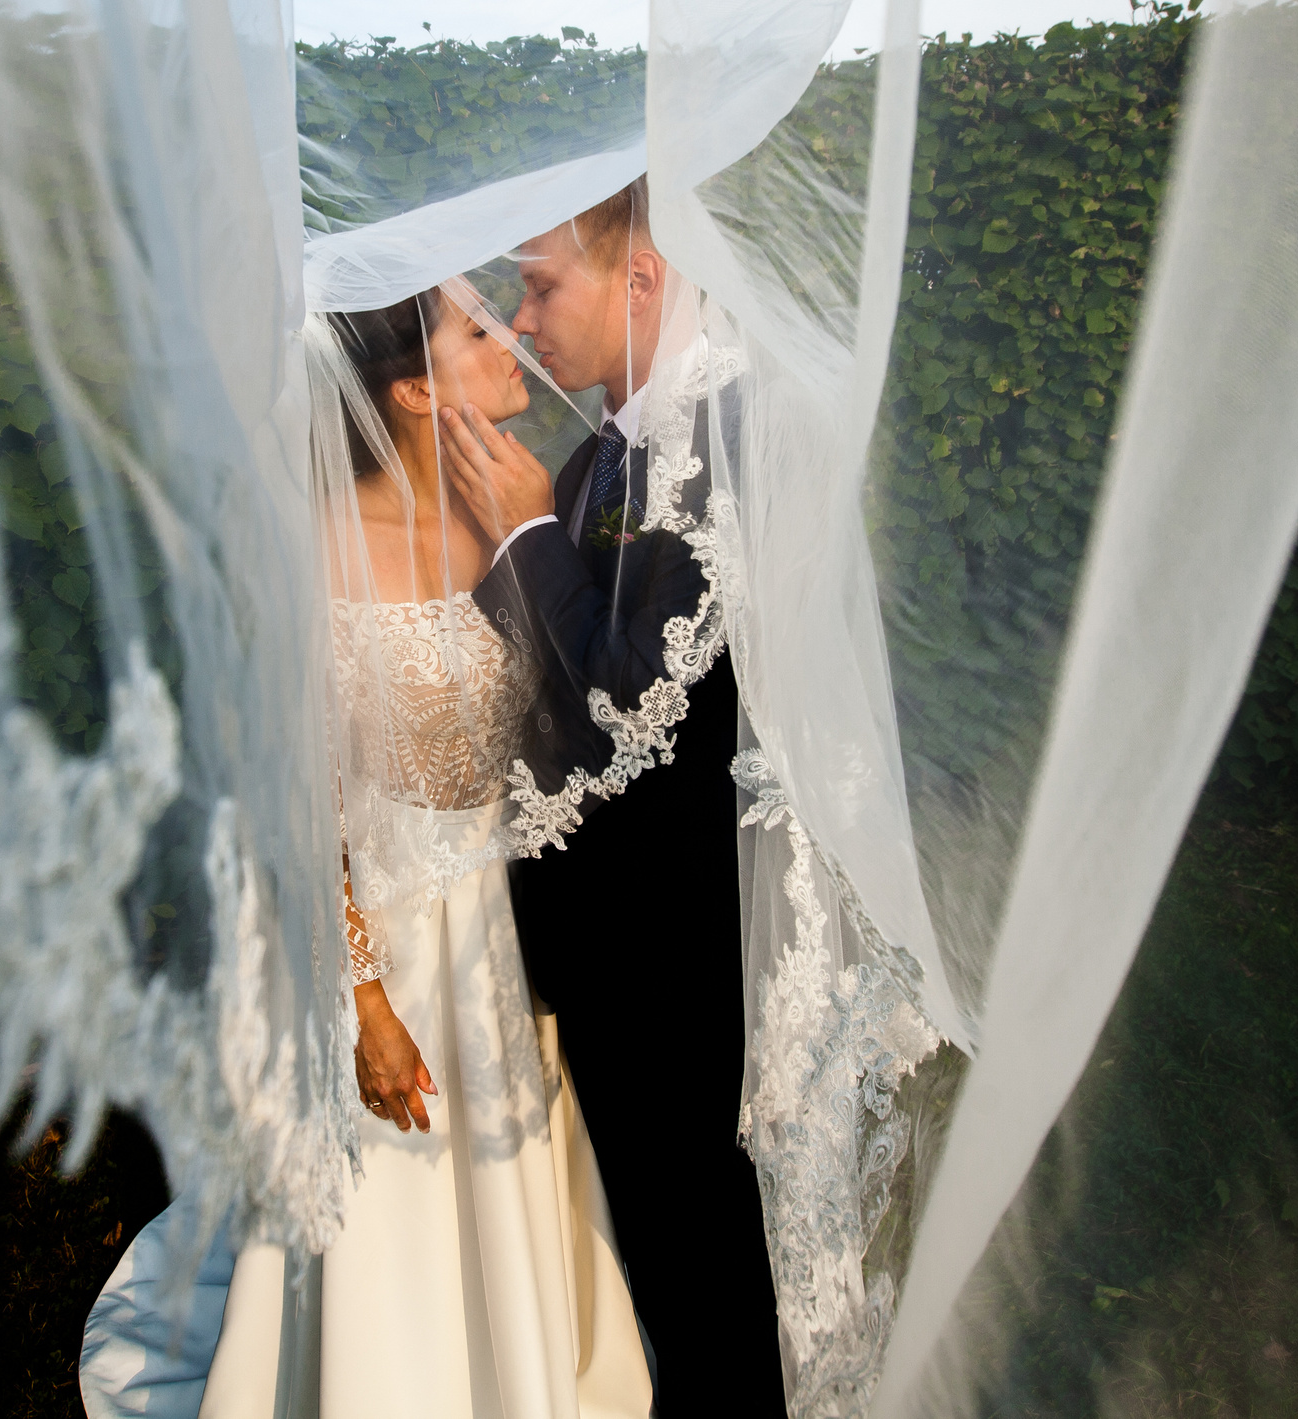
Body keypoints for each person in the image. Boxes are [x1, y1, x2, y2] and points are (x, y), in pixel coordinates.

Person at [80, 286, 651, 1419]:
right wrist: (362, 1001)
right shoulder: (317, 546)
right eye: (480, 334)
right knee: (391, 1193)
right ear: (412, 390)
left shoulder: (513, 516)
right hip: (382, 933)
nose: (515, 348)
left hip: (499, 919)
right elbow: (289, 792)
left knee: (508, 1171)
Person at [441, 178, 786, 1416]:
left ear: (638, 277)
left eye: (539, 285)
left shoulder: (725, 437)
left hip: (685, 964)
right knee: (659, 1270)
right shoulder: (602, 452)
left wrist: (528, 537)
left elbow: (636, 712)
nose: (523, 321)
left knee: (712, 1273)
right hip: (611, 955)